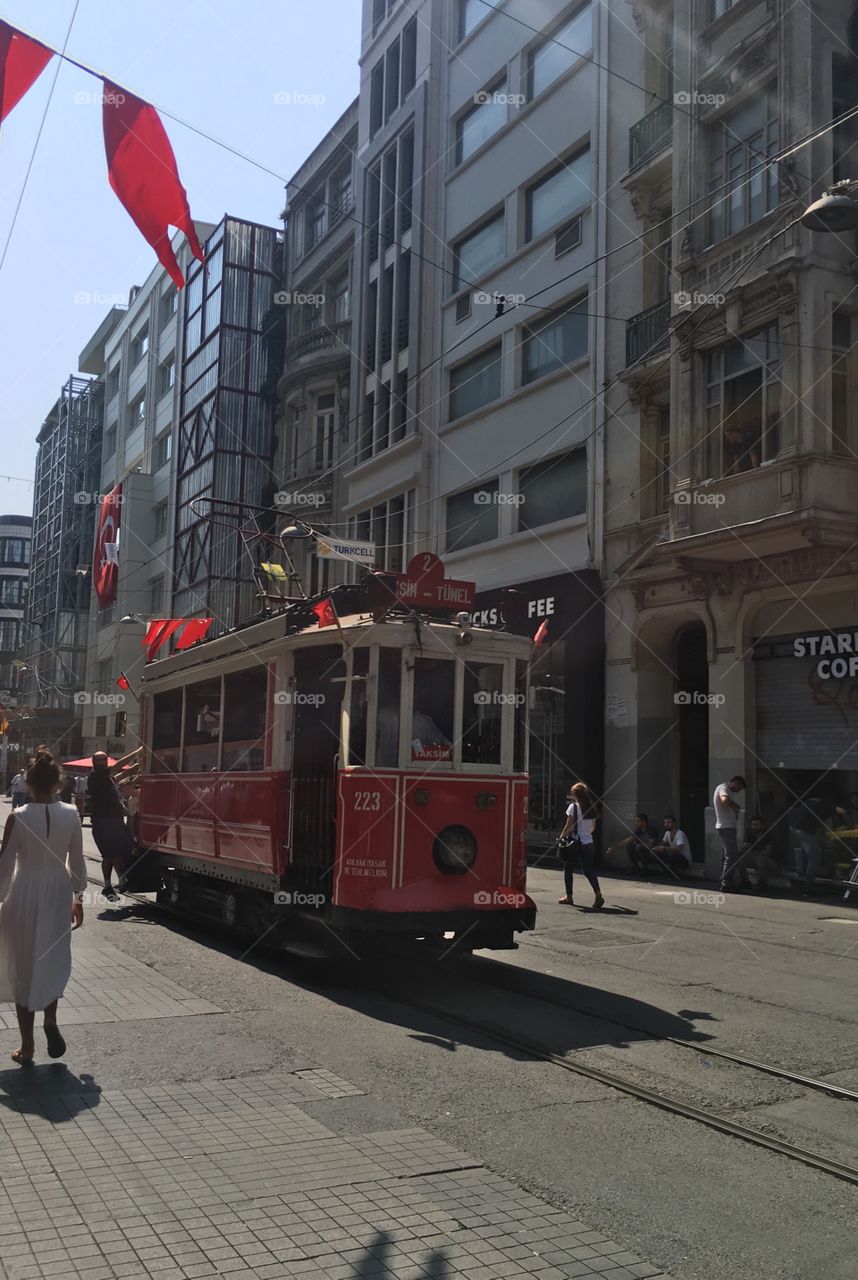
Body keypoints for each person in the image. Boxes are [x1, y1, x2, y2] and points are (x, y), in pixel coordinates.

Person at [0, 751, 86, 1064]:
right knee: (51, 957)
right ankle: (50, 1019)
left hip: (25, 891)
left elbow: (5, 868)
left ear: (28, 782)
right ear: (58, 783)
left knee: (23, 963)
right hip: (58, 890)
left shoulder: (17, 817)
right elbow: (77, 862)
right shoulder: (72, 814)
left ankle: (28, 1047)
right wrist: (77, 898)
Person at [87, 751, 132, 901]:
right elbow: (118, 767)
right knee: (110, 855)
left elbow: (117, 778)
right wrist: (139, 752)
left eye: (103, 759)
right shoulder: (96, 776)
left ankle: (117, 882)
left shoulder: (107, 778)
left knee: (116, 853)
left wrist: (134, 769)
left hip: (114, 820)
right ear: (94, 762)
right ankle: (111, 884)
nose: (101, 762)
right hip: (103, 821)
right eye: (98, 759)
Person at [557, 781, 604, 910]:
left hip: (575, 843)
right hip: (588, 842)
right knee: (589, 870)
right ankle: (598, 894)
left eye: (572, 792)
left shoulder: (573, 807)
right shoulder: (591, 808)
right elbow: (593, 827)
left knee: (568, 868)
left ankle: (569, 896)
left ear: (575, 794)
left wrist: (561, 836)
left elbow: (569, 825)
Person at [788, 796, 847, 894]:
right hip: (804, 829)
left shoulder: (812, 802)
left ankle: (801, 876)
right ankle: (808, 887)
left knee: (805, 847)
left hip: (794, 826)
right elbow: (843, 811)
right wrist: (850, 825)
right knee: (814, 858)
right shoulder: (828, 805)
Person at [714, 775, 750, 892]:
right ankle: (727, 882)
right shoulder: (723, 788)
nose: (738, 791)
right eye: (739, 788)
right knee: (732, 855)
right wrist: (736, 806)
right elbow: (724, 799)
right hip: (726, 828)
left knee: (727, 856)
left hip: (726, 827)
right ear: (736, 783)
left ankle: (731, 880)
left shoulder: (725, 789)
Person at [741, 815, 779, 891]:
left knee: (760, 859)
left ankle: (762, 882)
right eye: (752, 825)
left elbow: (768, 852)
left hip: (770, 862)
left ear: (762, 826)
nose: (753, 827)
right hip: (755, 859)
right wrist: (745, 847)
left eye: (756, 825)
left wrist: (757, 853)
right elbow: (743, 849)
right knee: (739, 859)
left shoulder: (768, 835)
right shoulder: (750, 834)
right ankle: (745, 881)